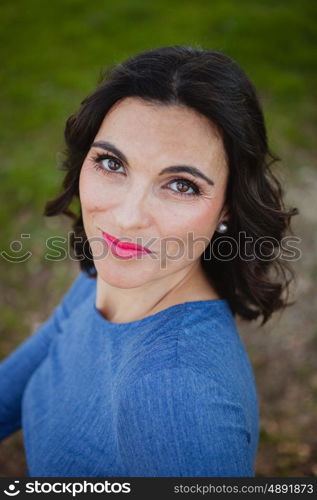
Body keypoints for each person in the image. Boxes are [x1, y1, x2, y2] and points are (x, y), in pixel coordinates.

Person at [0, 45, 298, 477]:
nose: (126, 219)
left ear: (229, 206)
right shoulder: (103, 278)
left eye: (181, 185)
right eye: (111, 162)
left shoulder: (178, 395)